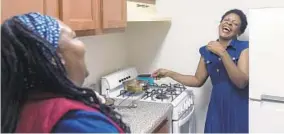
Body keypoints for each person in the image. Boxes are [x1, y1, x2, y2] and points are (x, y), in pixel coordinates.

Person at [1, 12, 130, 133]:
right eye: (74, 37)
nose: (83, 46)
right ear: (55, 57)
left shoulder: (16, 109)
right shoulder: (81, 124)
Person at [152, 9, 249, 133]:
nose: (229, 23)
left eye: (235, 23)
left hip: (239, 108)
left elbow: (241, 82)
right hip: (216, 108)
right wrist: (169, 73)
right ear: (220, 24)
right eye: (226, 20)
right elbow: (197, 80)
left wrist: (222, 52)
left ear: (239, 31)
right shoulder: (206, 50)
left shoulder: (244, 48)